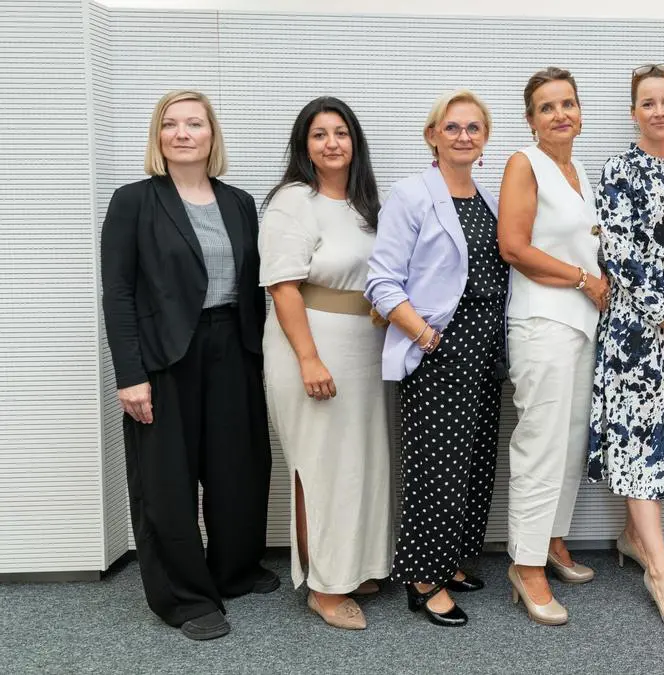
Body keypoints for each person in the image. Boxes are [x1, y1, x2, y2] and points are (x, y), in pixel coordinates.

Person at [100, 90, 276, 641]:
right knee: (167, 481)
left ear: (211, 135)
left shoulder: (240, 202)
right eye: (170, 124)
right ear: (158, 137)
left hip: (234, 347)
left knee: (238, 469)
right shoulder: (133, 201)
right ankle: (184, 597)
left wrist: (261, 355)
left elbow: (254, 287)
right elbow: (119, 293)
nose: (182, 133)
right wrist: (130, 374)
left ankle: (233, 570)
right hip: (164, 357)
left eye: (194, 124)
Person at [365, 90, 505, 628]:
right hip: (440, 350)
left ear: (485, 139)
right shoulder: (410, 195)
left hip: (486, 348)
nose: (464, 136)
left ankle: (448, 562)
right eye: (453, 127)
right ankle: (423, 578)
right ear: (432, 136)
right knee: (436, 468)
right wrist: (425, 337)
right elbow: (381, 280)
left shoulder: (488, 199)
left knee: (472, 465)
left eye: (474, 128)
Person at [260, 96, 389, 630]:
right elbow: (283, 286)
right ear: (304, 145)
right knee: (319, 467)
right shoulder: (294, 200)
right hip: (310, 343)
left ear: (354, 142)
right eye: (319, 134)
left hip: (365, 346)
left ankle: (354, 566)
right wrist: (309, 358)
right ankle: (323, 585)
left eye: (341, 133)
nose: (332, 143)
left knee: (360, 463)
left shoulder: (365, 205)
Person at [588, 63, 664, 638]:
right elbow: (617, 252)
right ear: (634, 112)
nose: (659, 111)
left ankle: (633, 539)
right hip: (638, 329)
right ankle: (659, 572)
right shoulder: (617, 169)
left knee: (661, 439)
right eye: (648, 103)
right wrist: (662, 312)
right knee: (639, 440)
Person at [497, 66, 608, 626]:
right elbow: (513, 247)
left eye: (568, 103)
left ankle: (552, 541)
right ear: (531, 119)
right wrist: (586, 280)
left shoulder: (577, 169)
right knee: (540, 444)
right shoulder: (527, 163)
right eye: (547, 107)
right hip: (541, 323)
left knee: (569, 441)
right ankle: (526, 564)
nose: (561, 113)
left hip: (580, 324)